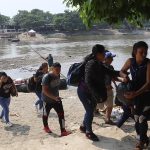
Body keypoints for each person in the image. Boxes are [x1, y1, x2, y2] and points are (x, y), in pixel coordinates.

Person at [77, 44, 127, 141]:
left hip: (90, 92)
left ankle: (83, 126)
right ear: (98, 54)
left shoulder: (98, 63)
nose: (105, 54)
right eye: (103, 53)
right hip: (84, 91)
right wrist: (96, 94)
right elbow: (88, 81)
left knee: (90, 109)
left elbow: (110, 72)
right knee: (90, 111)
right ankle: (89, 132)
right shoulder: (91, 64)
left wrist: (121, 73)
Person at [121, 41, 150, 149]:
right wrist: (124, 76)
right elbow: (122, 71)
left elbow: (148, 83)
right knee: (137, 118)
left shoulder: (148, 63)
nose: (143, 54)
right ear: (134, 52)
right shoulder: (130, 61)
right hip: (135, 96)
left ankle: (141, 142)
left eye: (145, 52)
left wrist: (135, 94)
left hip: (147, 95)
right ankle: (144, 138)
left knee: (142, 118)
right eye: (141, 52)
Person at [42, 62, 71, 136]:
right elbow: (44, 91)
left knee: (61, 114)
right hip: (47, 100)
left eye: (59, 69)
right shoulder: (47, 77)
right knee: (45, 114)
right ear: (52, 69)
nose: (58, 71)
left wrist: (56, 97)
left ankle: (63, 131)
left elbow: (56, 88)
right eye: (56, 69)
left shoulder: (58, 75)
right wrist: (54, 97)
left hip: (56, 100)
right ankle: (45, 127)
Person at [97, 51, 117, 125]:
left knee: (110, 104)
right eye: (111, 58)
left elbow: (113, 77)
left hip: (109, 89)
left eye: (112, 58)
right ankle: (93, 113)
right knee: (98, 103)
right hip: (100, 90)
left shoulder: (111, 67)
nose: (112, 59)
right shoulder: (99, 67)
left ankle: (107, 118)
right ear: (106, 59)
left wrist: (116, 85)